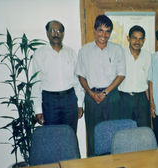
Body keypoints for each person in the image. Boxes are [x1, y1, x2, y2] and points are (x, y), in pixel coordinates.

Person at [75, 15, 126, 157]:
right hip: (92, 97)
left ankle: (115, 165)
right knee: (93, 134)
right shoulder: (84, 51)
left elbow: (121, 74)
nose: (104, 35)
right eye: (101, 30)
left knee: (114, 133)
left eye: (107, 31)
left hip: (112, 96)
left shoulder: (117, 50)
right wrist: (91, 93)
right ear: (95, 30)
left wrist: (105, 93)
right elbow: (81, 76)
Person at [31, 20, 84, 134]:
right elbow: (36, 83)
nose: (56, 34)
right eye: (52, 30)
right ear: (47, 33)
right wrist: (38, 109)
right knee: (52, 136)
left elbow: (77, 80)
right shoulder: (40, 54)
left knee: (70, 135)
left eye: (59, 31)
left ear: (63, 34)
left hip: (69, 99)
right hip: (50, 101)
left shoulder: (71, 53)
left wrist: (79, 104)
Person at [118, 25, 151, 127]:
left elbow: (149, 81)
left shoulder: (148, 56)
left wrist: (150, 102)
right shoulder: (120, 54)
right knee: (125, 129)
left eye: (140, 39)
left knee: (143, 130)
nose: (137, 42)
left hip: (142, 99)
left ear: (144, 40)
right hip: (124, 98)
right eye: (134, 38)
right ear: (128, 38)